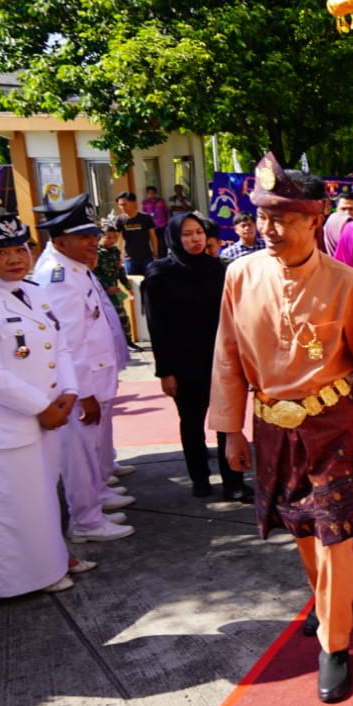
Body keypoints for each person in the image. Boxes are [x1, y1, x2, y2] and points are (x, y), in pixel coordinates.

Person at [209, 154, 353, 704]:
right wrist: (230, 430)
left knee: (337, 537)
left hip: (333, 426)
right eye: (262, 216)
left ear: (314, 221)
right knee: (303, 533)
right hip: (271, 428)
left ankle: (334, 644)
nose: (269, 229)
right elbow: (227, 358)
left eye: (283, 218)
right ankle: (326, 602)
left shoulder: (343, 282)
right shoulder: (239, 276)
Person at [0, 212, 88, 598]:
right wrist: (44, 407)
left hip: (45, 418)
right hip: (3, 426)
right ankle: (15, 584)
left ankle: (52, 562)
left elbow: (61, 345)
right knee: (9, 512)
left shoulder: (32, 291)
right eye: (1, 252)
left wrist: (70, 393)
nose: (14, 259)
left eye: (19, 249)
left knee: (40, 501)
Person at [32, 195, 135, 545]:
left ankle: (97, 502)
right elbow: (69, 343)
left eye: (93, 234)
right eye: (84, 236)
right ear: (59, 241)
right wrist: (85, 393)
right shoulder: (58, 277)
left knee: (91, 452)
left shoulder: (75, 267)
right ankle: (86, 521)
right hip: (80, 386)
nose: (93, 241)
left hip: (95, 376)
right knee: (79, 456)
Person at [144, 212, 248, 501]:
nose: (195, 239)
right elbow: (157, 327)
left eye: (199, 232)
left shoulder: (221, 270)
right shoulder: (159, 275)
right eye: (187, 234)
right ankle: (200, 478)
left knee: (227, 422)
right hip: (183, 364)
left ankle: (233, 481)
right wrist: (165, 371)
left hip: (222, 361)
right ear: (175, 238)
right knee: (192, 423)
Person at [94, 224, 137, 347]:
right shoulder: (95, 253)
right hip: (100, 291)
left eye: (115, 238)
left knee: (122, 316)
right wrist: (106, 288)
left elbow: (119, 271)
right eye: (108, 237)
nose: (112, 240)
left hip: (114, 290)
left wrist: (128, 288)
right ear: (100, 237)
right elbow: (94, 274)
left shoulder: (115, 251)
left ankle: (128, 342)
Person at [115, 192, 159, 276]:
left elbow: (153, 237)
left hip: (147, 257)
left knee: (150, 282)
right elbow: (115, 239)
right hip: (129, 259)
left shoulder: (145, 218)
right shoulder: (119, 220)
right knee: (133, 285)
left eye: (124, 204)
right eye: (120, 205)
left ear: (133, 203)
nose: (122, 207)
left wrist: (155, 254)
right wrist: (118, 257)